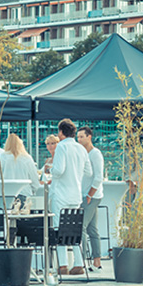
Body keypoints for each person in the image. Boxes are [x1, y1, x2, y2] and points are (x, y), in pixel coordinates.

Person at [49, 118, 92, 275]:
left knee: (59, 228)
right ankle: (79, 263)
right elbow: (89, 172)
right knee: (74, 229)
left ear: (61, 132)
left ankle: (63, 265)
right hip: (76, 194)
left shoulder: (61, 147)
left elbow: (59, 170)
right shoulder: (80, 148)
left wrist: (50, 170)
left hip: (61, 194)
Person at [76, 126, 104, 271]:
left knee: (81, 227)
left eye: (81, 137)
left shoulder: (95, 154)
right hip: (84, 195)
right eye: (78, 137)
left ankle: (81, 261)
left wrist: (89, 195)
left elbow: (98, 177)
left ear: (89, 137)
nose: (79, 139)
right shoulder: (81, 153)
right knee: (92, 229)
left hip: (92, 196)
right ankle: (97, 261)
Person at [0, 133, 40, 198]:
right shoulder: (27, 158)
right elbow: (34, 179)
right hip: (24, 193)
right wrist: (32, 190)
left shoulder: (2, 157)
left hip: (7, 194)